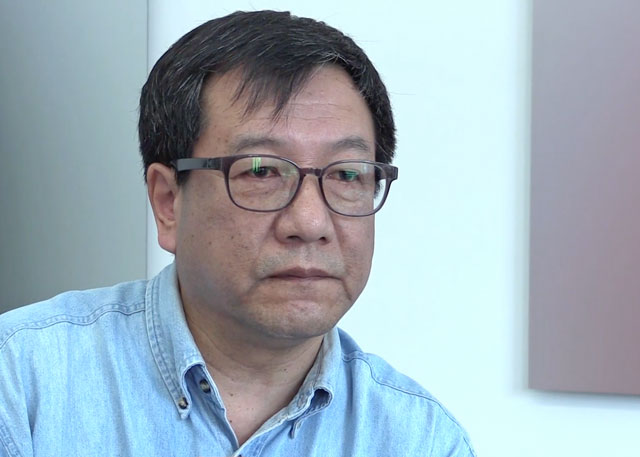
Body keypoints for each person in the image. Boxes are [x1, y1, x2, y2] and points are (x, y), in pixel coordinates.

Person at [0, 10, 475, 457]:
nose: (310, 223)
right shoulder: (22, 382)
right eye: (261, 171)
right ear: (168, 201)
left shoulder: (421, 439)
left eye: (347, 175)